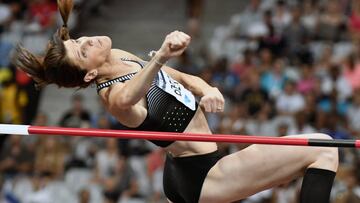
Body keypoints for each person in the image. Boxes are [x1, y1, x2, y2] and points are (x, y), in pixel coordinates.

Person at [13, 1, 339, 202]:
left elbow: (184, 80)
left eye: (82, 40)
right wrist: (161, 57)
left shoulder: (119, 57)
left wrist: (208, 89)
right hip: (205, 177)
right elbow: (130, 97)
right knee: (323, 147)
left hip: (180, 176)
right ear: (89, 75)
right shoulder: (112, 96)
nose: (91, 40)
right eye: (84, 51)